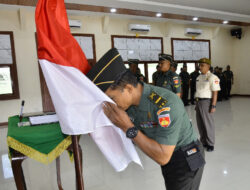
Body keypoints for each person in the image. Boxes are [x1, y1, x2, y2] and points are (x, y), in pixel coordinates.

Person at [87, 48, 205, 190]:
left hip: (185, 157)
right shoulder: (128, 104)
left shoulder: (165, 104)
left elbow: (162, 156)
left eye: (112, 98)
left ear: (129, 88)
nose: (112, 104)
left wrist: (128, 128)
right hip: (167, 154)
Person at [195, 58, 220, 152]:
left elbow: (215, 93)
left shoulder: (213, 77)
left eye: (202, 65)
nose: (200, 67)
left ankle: (210, 143)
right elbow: (198, 91)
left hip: (206, 102)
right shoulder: (199, 77)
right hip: (198, 102)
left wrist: (213, 105)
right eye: (199, 65)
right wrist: (196, 104)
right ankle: (203, 142)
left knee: (208, 124)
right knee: (200, 124)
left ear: (208, 66)